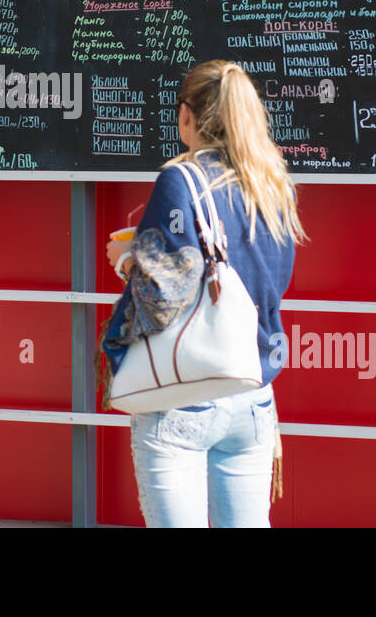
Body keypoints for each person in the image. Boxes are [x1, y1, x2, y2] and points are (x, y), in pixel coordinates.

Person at [100, 59, 305, 528]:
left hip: (184, 396)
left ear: (187, 115)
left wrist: (128, 260)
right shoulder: (271, 184)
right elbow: (265, 277)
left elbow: (160, 295)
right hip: (253, 394)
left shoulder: (182, 180)